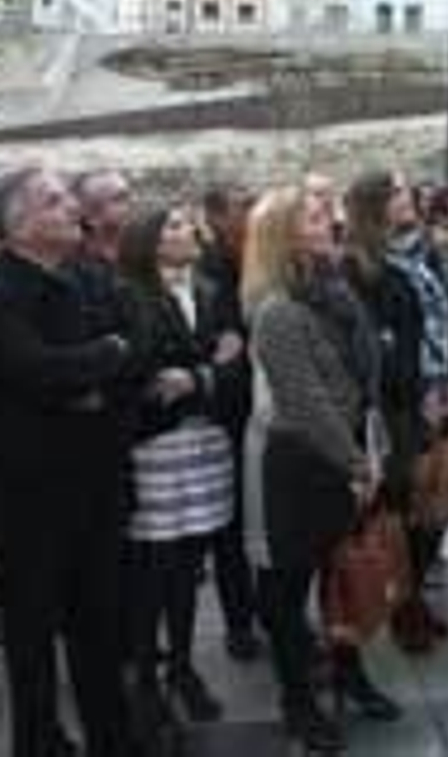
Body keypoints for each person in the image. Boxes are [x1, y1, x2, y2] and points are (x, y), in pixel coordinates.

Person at [0, 167, 136, 757]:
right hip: (25, 499)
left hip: (96, 485)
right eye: (55, 200)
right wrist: (94, 362)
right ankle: (39, 743)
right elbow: (36, 371)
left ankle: (113, 736)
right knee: (32, 637)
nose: (72, 208)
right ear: (19, 224)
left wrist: (91, 368)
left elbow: (128, 344)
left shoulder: (87, 273)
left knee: (102, 627)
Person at [242, 185, 381, 754]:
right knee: (286, 587)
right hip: (295, 465)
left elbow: (363, 372)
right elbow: (304, 401)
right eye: (314, 214)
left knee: (343, 576)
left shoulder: (335, 288)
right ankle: (298, 702)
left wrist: (371, 447)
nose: (329, 219)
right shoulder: (276, 309)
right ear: (284, 235)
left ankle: (350, 674)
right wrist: (355, 463)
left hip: (344, 453)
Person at [117, 204, 241, 736]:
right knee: (152, 568)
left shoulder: (212, 288)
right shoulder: (130, 295)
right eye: (171, 225)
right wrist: (211, 366)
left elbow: (237, 360)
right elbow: (141, 375)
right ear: (147, 241)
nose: (188, 231)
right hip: (156, 448)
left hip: (206, 441)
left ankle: (184, 665)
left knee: (190, 565)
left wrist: (198, 377)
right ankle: (147, 676)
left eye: (188, 224)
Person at [382, 174, 448, 653]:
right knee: (405, 512)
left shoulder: (432, 251)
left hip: (441, 388)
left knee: (438, 506)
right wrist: (418, 392)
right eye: (392, 193)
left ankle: (412, 596)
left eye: (406, 190)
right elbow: (381, 341)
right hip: (402, 404)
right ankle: (402, 605)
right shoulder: (366, 263)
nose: (405, 198)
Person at [195, 182, 263, 662]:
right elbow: (215, 344)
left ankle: (278, 611)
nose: (254, 213)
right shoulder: (208, 274)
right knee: (232, 528)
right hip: (230, 417)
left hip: (270, 411)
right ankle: (240, 622)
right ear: (216, 217)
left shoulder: (266, 260)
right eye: (244, 205)